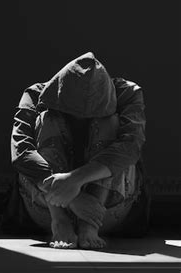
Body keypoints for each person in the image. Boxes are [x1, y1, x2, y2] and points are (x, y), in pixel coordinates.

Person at [8, 52, 149, 249]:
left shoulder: (127, 92)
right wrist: (74, 198)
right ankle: (60, 221)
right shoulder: (35, 94)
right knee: (47, 119)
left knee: (111, 122)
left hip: (106, 210)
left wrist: (75, 180)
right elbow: (21, 151)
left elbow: (131, 147)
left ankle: (89, 226)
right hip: (46, 210)